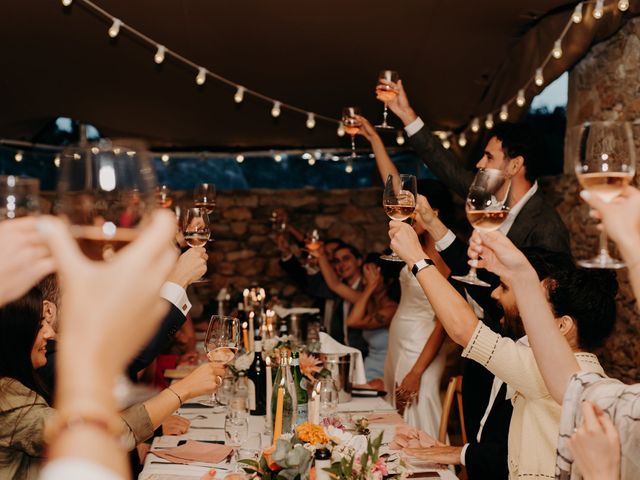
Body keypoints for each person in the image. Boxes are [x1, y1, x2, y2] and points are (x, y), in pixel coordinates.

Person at [388, 220, 617, 480]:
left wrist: (417, 260)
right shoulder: (583, 372)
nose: (527, 309)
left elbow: (464, 329)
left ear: (563, 325)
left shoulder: (544, 370)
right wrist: (441, 450)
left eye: (536, 305)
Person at [467, 185, 640, 480]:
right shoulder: (619, 400)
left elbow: (463, 330)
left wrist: (601, 474)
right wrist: (520, 274)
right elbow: (568, 384)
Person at [0, 285, 224, 480]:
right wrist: (182, 390)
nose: (49, 332)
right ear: (16, 334)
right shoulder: (10, 399)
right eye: (40, 325)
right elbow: (97, 438)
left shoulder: (23, 381)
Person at [377, 78, 570, 257]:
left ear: (515, 165)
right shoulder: (482, 197)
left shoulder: (547, 228)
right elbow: (444, 164)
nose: (479, 164)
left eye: (489, 157)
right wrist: (406, 114)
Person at [355, 115, 452, 436]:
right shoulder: (415, 243)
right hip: (401, 337)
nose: (408, 212)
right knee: (396, 415)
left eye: (415, 207)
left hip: (422, 346)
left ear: (433, 212)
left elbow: (444, 322)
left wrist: (418, 371)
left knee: (418, 407)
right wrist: (374, 140)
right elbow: (395, 188)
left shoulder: (443, 253)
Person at [346, 253, 398, 383]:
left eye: (371, 276)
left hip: (381, 377)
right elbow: (335, 286)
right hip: (366, 372)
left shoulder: (391, 310)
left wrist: (370, 286)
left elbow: (352, 321)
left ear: (387, 279)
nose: (364, 281)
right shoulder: (370, 304)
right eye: (365, 277)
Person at [313, 243, 368, 357]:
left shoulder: (367, 289)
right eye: (337, 261)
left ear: (359, 261)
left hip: (363, 354)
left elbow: (334, 284)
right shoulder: (339, 290)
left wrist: (321, 256)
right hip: (341, 354)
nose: (341, 265)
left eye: (346, 259)